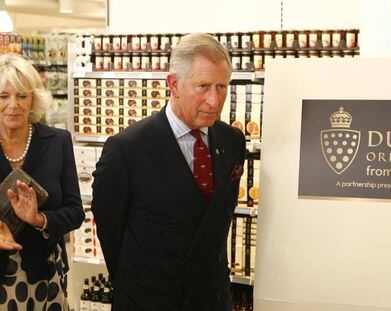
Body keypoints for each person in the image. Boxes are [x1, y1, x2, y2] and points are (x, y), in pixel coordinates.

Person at [92, 33, 246, 311]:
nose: (214, 100)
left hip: (211, 299)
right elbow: (109, 231)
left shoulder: (232, 141)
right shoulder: (127, 148)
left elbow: (215, 224)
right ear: (173, 84)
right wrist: (138, 286)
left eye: (222, 86)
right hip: (150, 300)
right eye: (203, 86)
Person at [0, 54, 84, 310]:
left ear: (34, 99)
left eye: (22, 96)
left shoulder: (57, 141)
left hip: (44, 277)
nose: (13, 104)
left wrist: (40, 220)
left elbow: (75, 212)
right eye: (4, 96)